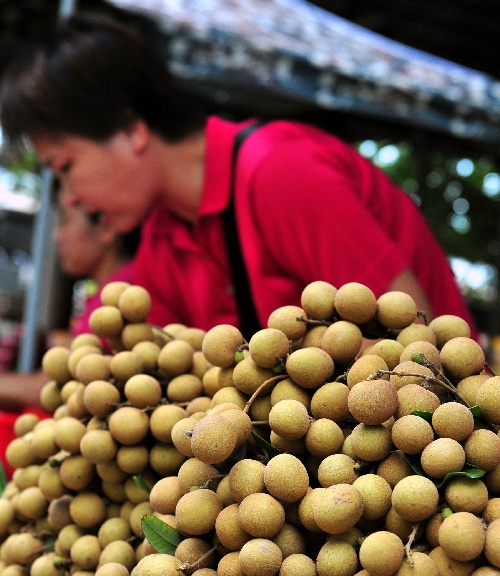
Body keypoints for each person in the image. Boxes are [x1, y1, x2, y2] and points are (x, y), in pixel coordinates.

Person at [0, 12, 477, 341]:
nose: (74, 198)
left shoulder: (280, 172)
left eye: (65, 168)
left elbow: (414, 345)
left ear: (131, 131)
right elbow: (127, 367)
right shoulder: (167, 233)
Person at [0, 199, 136, 412]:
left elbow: (49, 387)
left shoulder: (122, 295)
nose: (56, 237)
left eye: (65, 222)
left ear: (106, 229)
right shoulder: (106, 294)